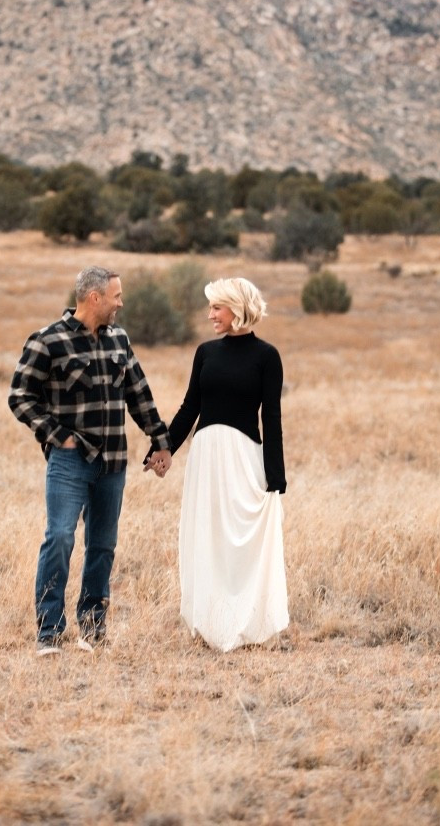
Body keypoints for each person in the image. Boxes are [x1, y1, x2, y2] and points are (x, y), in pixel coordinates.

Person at [9, 266, 171, 656]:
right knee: (60, 537)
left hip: (114, 461)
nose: (122, 303)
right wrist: (57, 436)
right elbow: (20, 397)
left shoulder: (119, 339)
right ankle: (49, 632)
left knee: (102, 545)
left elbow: (139, 393)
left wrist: (160, 441)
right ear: (94, 297)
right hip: (70, 460)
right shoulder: (48, 341)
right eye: (116, 296)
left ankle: (93, 631)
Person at [146, 276, 288, 651]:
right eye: (210, 307)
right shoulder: (206, 352)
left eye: (216, 307)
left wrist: (276, 478)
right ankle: (212, 623)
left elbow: (271, 418)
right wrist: (164, 448)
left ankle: (245, 623)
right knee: (209, 538)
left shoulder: (267, 356)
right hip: (206, 456)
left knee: (239, 542)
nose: (210, 315)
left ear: (237, 309)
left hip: (244, 457)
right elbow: (190, 407)